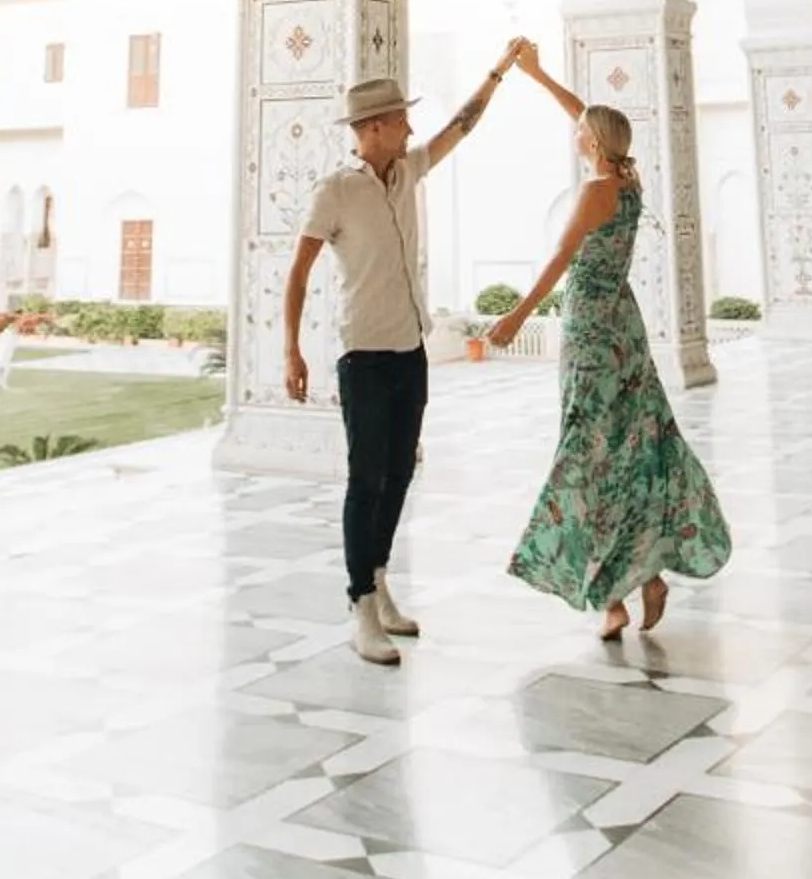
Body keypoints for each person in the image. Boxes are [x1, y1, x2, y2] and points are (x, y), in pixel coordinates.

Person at [284, 43, 528, 664]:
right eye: (398, 120)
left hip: (408, 351)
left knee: (400, 473)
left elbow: (461, 128)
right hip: (362, 356)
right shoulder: (336, 191)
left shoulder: (410, 170)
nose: (410, 128)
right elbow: (298, 270)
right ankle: (359, 604)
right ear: (372, 129)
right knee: (365, 480)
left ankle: (381, 581)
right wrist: (291, 350)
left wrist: (498, 72)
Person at [488, 43, 732, 639]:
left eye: (582, 134)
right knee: (629, 447)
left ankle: (616, 591)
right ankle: (634, 581)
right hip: (625, 327)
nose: (574, 134)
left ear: (593, 143)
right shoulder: (628, 179)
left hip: (592, 330)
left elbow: (560, 256)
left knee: (589, 453)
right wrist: (540, 74)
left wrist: (518, 316)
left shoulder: (597, 191)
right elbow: (585, 116)